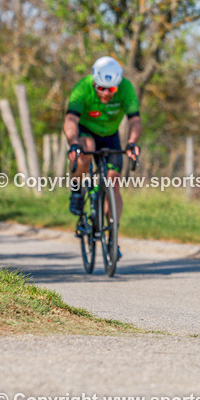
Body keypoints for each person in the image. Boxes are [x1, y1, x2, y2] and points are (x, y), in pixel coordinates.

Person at [64, 56, 141, 257]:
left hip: (110, 136)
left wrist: (132, 142)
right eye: (102, 88)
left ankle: (112, 237)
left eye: (112, 89)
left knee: (113, 183)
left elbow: (135, 120)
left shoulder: (126, 88)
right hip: (86, 132)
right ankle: (76, 191)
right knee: (85, 150)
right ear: (95, 82)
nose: (107, 93)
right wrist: (73, 142)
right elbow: (71, 118)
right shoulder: (83, 87)